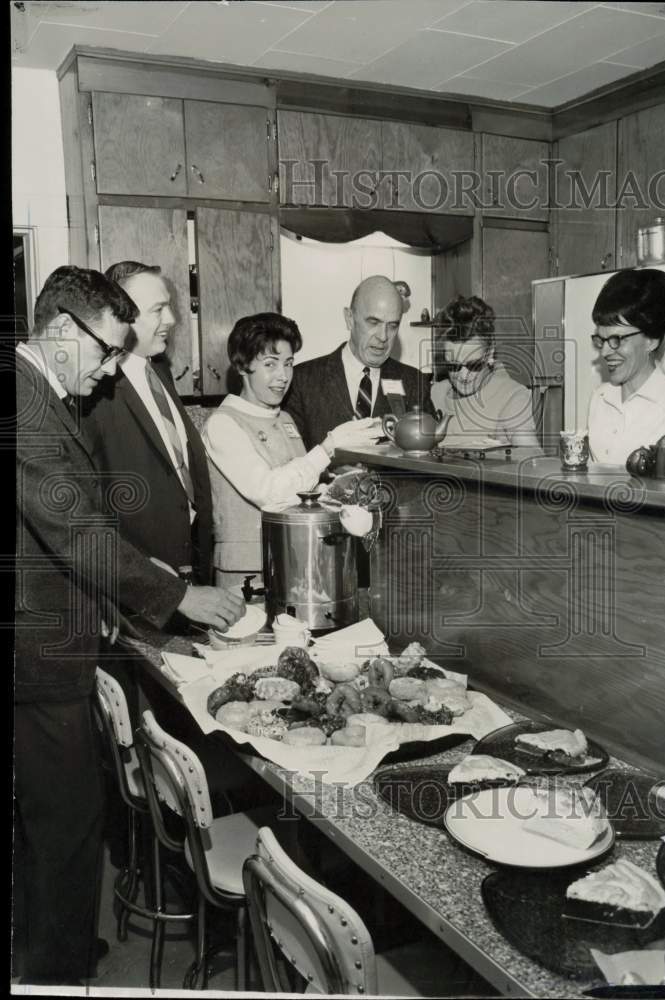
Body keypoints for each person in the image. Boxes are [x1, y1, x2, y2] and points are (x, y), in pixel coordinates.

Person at [14, 267, 242, 987]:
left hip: (51, 636)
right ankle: (55, 973)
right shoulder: (25, 405)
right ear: (59, 333)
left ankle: (47, 950)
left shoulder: (42, 397)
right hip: (40, 648)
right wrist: (178, 596)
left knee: (49, 823)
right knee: (66, 824)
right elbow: (76, 533)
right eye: (106, 351)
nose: (111, 369)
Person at [202, 312, 381, 589]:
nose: (283, 376)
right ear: (241, 366)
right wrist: (327, 448)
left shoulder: (284, 419)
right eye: (270, 364)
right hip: (247, 574)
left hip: (293, 560)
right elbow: (269, 492)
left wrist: (341, 491)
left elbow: (298, 493)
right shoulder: (223, 424)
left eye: (288, 363)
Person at [81, 261, 214, 588]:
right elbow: (89, 507)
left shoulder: (161, 373)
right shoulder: (95, 389)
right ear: (120, 314)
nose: (171, 319)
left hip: (189, 572)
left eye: (168, 306)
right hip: (136, 586)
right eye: (158, 309)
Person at [284, 275, 434, 453]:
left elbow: (428, 459)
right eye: (373, 322)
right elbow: (293, 461)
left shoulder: (413, 381)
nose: (383, 336)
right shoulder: (302, 380)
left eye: (393, 325)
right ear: (349, 318)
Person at [587, 268, 665, 465]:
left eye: (617, 339)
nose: (604, 352)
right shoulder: (600, 398)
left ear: (651, 341)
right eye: (601, 340)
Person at [430, 295, 540, 447]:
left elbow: (531, 463)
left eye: (473, 365)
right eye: (453, 366)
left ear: (489, 354)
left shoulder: (511, 397)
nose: (463, 376)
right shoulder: (434, 394)